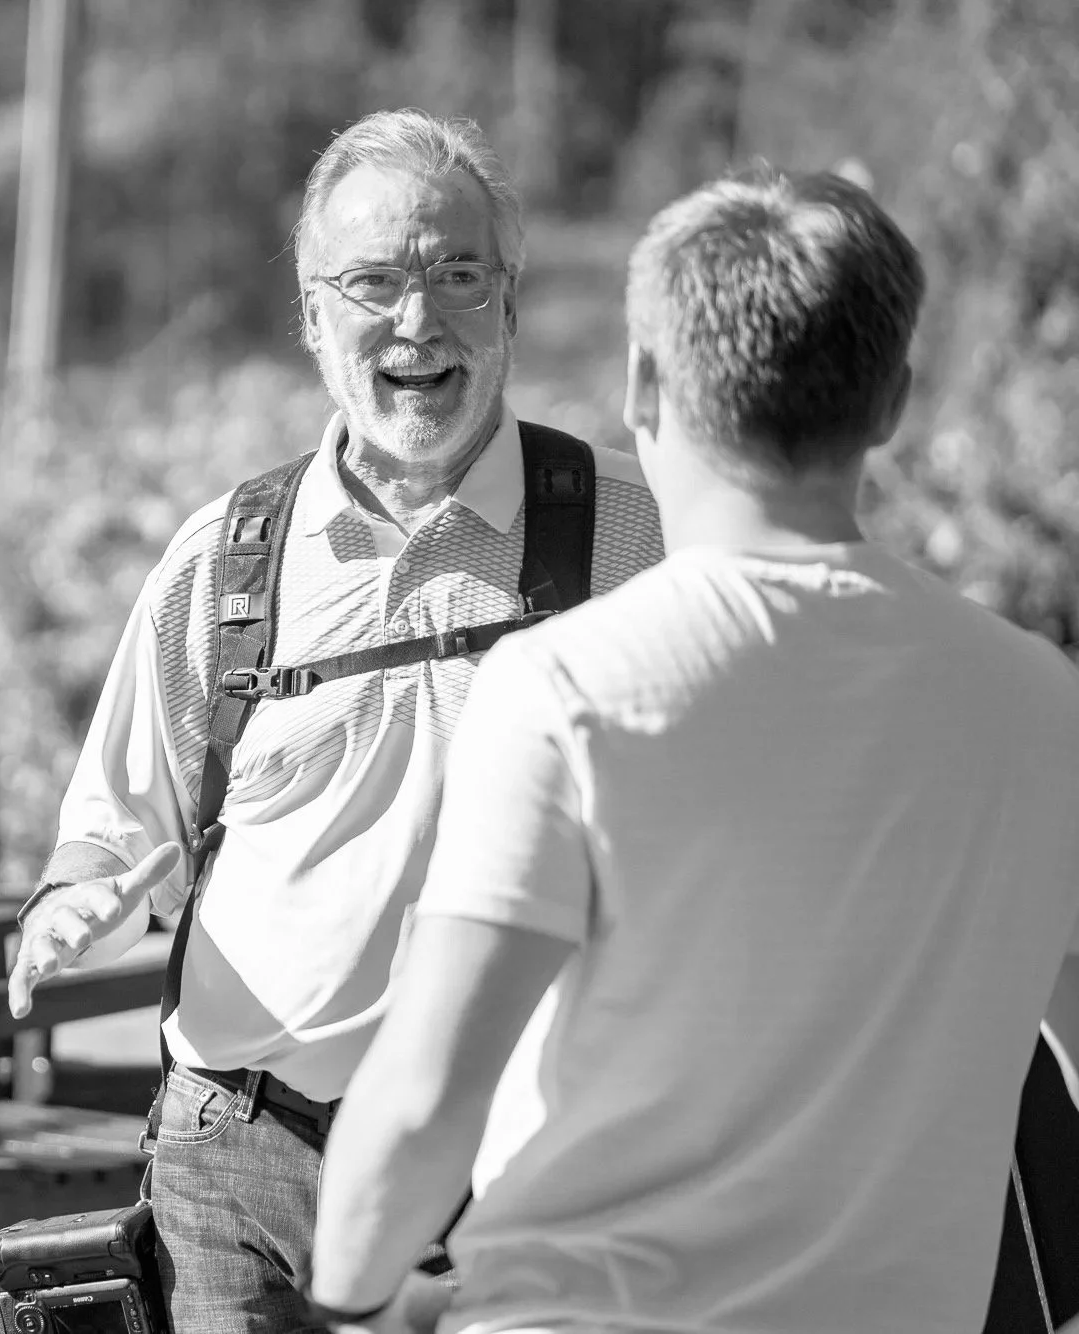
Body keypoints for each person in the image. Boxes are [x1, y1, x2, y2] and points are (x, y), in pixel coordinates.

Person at [309, 167, 1079, 1333]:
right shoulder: (1037, 702)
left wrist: (348, 1307)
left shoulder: (568, 687)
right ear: (889, 403)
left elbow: (420, 1101)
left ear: (644, 386)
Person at [3, 109, 665, 1332]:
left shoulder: (633, 537)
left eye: (456, 274)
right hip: (237, 1152)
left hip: (522, 1148)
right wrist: (71, 907)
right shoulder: (224, 560)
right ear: (311, 321)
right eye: (372, 283)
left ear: (507, 304)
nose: (416, 320)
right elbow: (104, 835)